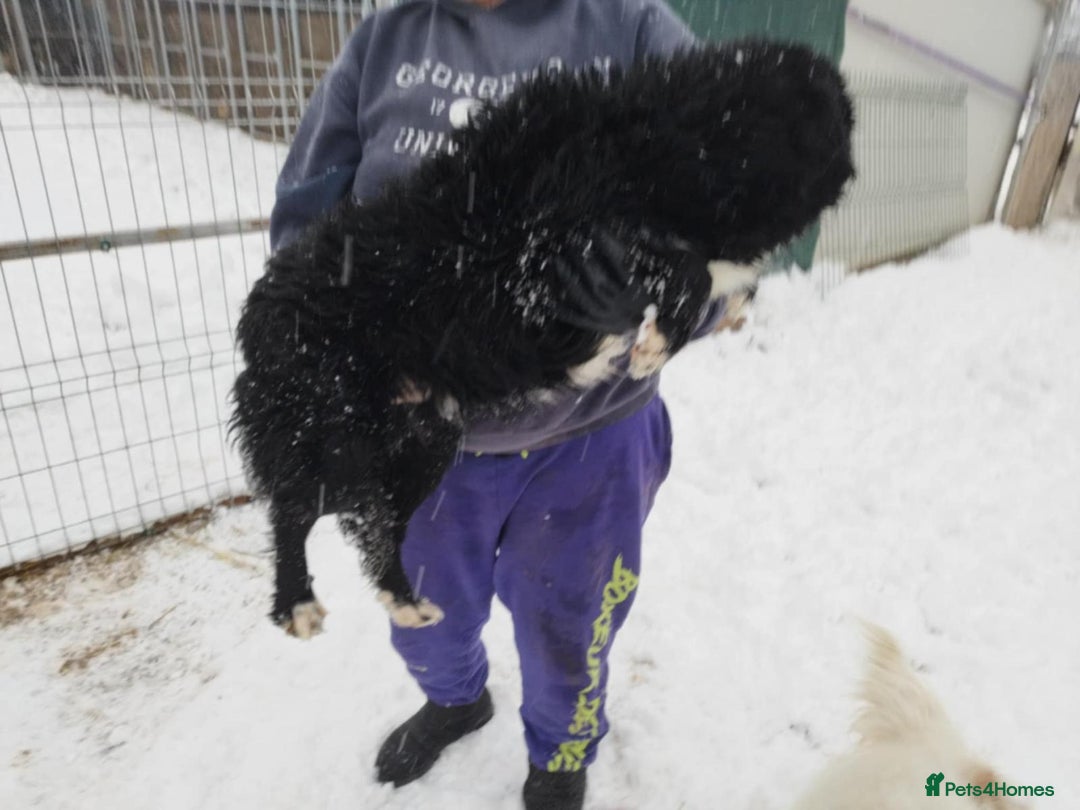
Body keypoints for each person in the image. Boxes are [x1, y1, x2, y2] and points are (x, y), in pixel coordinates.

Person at [269, 2, 721, 808]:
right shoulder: (387, 40)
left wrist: (684, 299)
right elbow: (308, 216)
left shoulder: (633, 30)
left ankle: (561, 750)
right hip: (423, 439)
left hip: (593, 440)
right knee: (424, 613)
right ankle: (455, 699)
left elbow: (739, 196)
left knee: (571, 621)